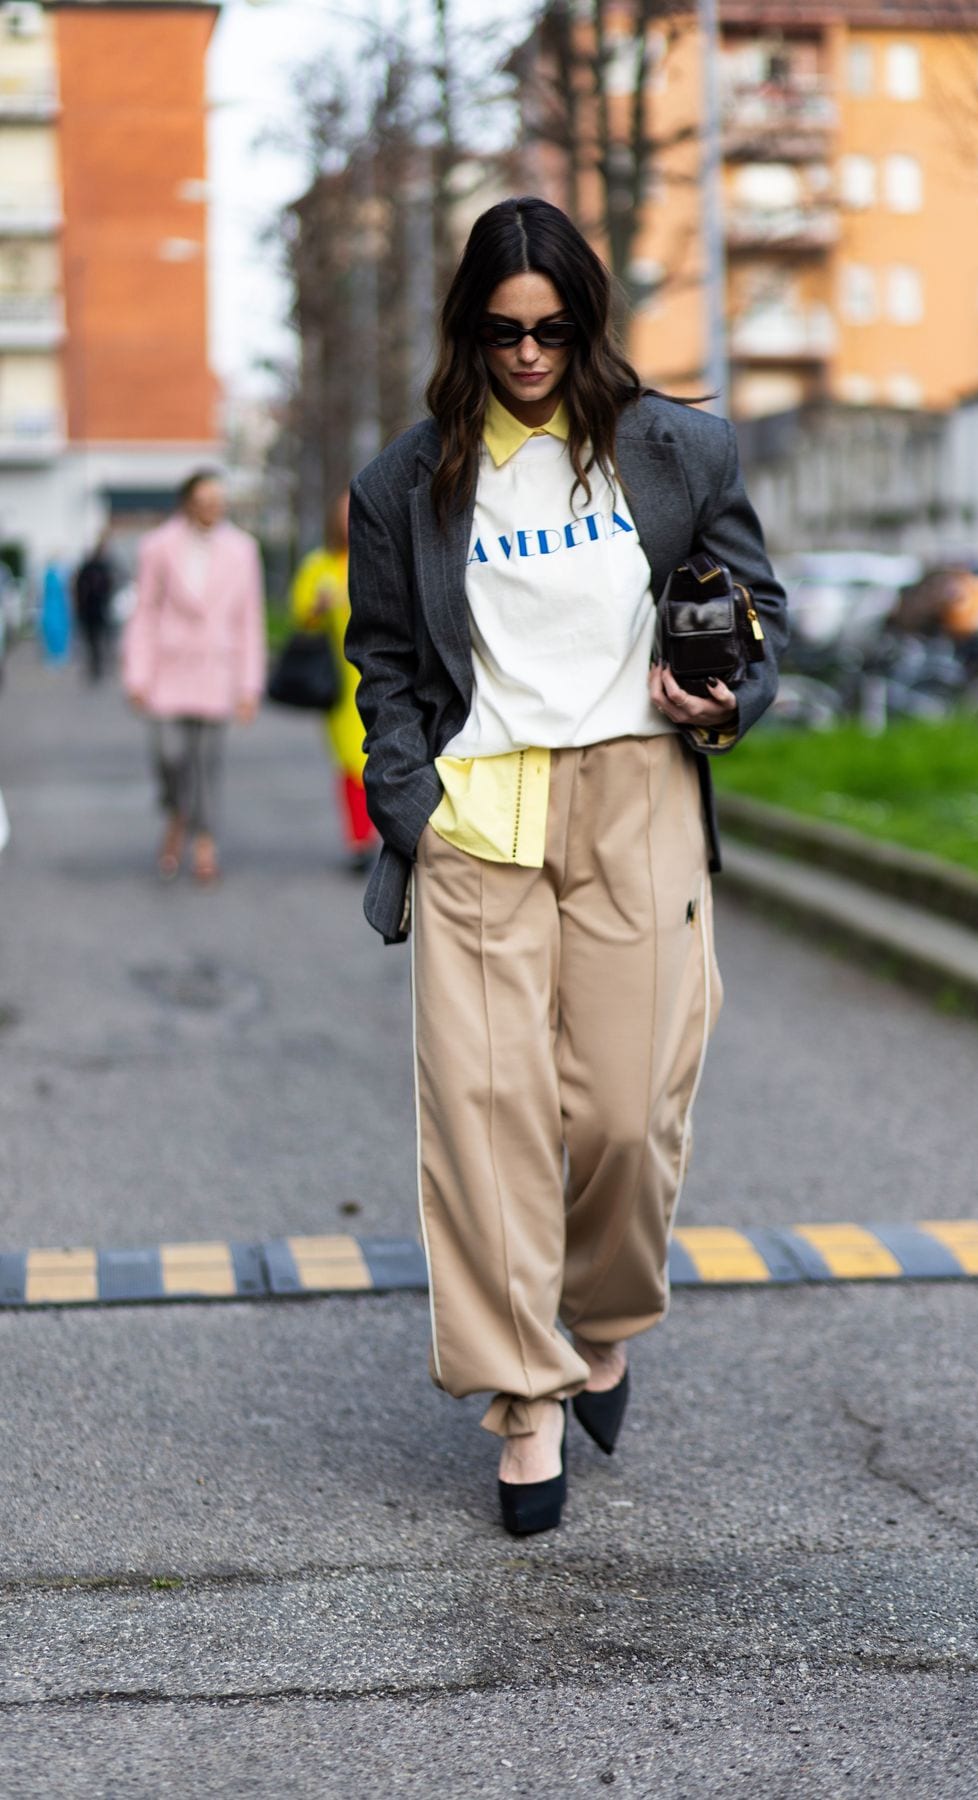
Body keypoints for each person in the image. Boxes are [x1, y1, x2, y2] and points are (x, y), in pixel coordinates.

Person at [346, 197, 787, 1536]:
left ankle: (602, 1317)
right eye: (501, 332)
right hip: (481, 814)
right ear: (468, 331)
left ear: (587, 323)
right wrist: (409, 803)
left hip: (637, 791)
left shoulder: (678, 451)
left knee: (625, 1114)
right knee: (483, 1120)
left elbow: (761, 617)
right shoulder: (406, 482)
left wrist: (726, 699)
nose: (527, 354)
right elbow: (387, 667)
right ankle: (524, 1401)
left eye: (550, 330)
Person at [122, 469, 266, 884]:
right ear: (187, 502)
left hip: (216, 669)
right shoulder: (157, 547)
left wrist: (249, 685)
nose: (211, 509)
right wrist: (138, 673)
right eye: (203, 501)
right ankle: (176, 814)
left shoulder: (242, 549)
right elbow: (145, 611)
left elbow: (249, 619)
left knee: (207, 762)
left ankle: (204, 840)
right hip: (170, 668)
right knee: (168, 756)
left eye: (217, 501)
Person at [290, 490, 379, 868]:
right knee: (350, 762)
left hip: (380, 673)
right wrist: (318, 608)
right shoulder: (320, 565)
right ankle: (360, 839)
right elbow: (300, 617)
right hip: (341, 683)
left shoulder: (377, 556)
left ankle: (384, 830)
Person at [73, 535, 116, 683]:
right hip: (93, 611)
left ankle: (96, 664)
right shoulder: (98, 569)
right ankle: (95, 664)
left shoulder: (93, 569)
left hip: (93, 611)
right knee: (94, 640)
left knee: (95, 640)